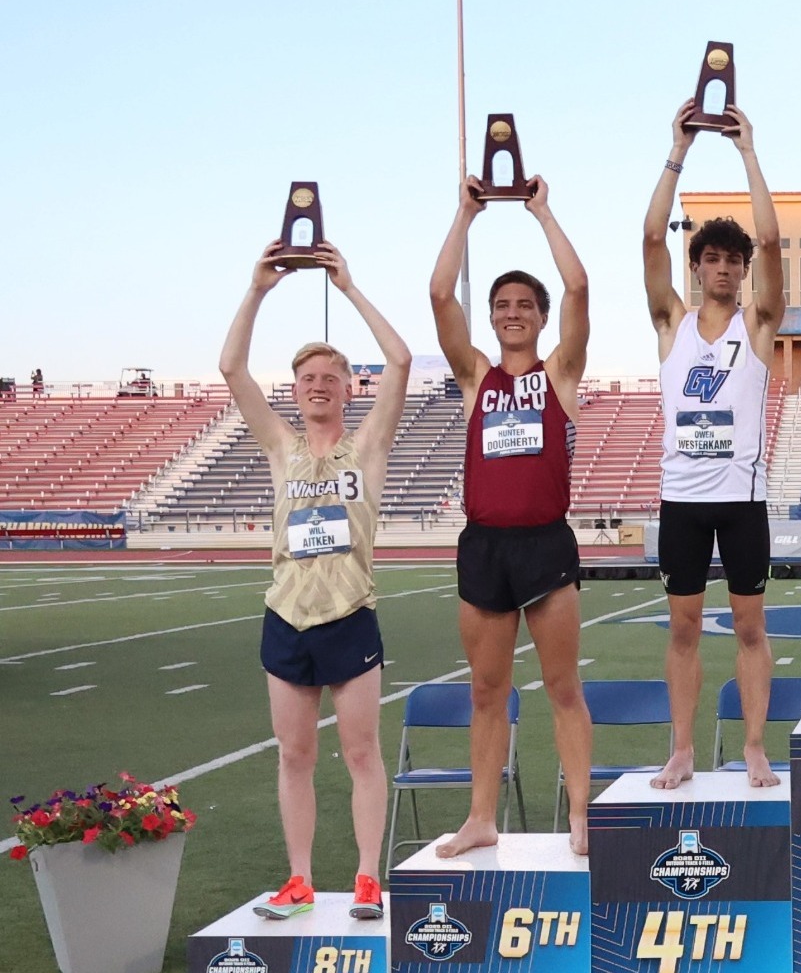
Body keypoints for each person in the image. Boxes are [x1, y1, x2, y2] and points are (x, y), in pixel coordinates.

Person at [220, 239, 410, 920]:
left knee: (361, 753)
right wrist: (257, 288)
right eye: (308, 378)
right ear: (295, 391)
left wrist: (351, 286)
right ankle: (298, 880)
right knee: (294, 755)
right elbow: (231, 366)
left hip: (350, 615)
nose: (320, 384)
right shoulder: (278, 446)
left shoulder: (371, 445)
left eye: (331, 376)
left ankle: (365, 878)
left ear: (348, 387)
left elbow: (401, 359)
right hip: (287, 618)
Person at [427, 168, 594, 855]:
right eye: (503, 304)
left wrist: (542, 213)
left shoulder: (560, 373)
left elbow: (581, 287)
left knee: (561, 685)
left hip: (545, 546)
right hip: (485, 547)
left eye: (526, 303)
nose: (513, 312)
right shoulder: (476, 377)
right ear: (492, 316)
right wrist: (465, 216)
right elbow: (439, 294)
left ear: (541, 315)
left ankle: (581, 816)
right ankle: (481, 817)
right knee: (486, 690)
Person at [642, 103, 786, 787]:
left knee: (751, 628)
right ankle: (683, 748)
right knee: (684, 629)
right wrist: (679, 148)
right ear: (696, 266)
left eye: (734, 259)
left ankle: (753, 743)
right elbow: (648, 240)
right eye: (712, 258)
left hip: (742, 501)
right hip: (682, 503)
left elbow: (775, 243)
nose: (723, 267)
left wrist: (746, 150)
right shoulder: (672, 320)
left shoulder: (757, 323)